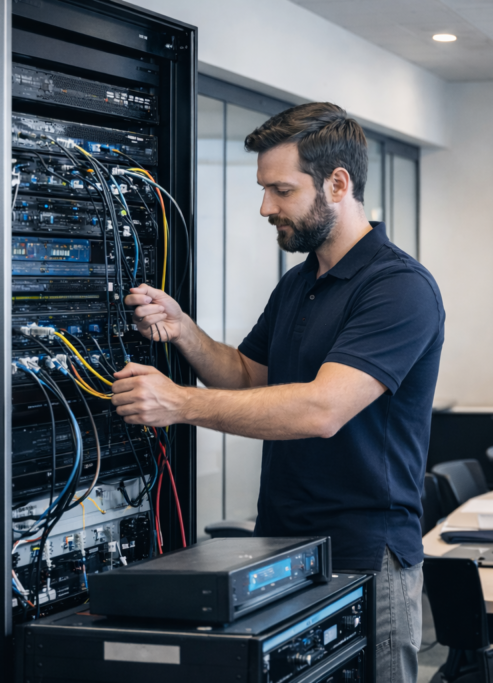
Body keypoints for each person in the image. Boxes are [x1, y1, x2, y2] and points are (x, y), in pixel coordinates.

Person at [110, 102, 445, 683]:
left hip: (365, 553)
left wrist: (179, 404)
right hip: (284, 547)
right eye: (265, 190)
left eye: (281, 191)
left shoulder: (398, 287)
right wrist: (184, 330)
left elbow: (322, 409)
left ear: (338, 183)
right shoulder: (299, 282)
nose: (266, 208)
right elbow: (247, 374)